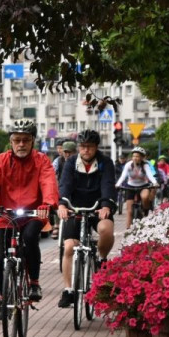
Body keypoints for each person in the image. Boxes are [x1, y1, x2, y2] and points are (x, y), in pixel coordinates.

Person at [0, 119, 60, 307]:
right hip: (7, 215)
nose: (21, 144)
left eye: (26, 140)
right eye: (17, 140)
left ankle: (34, 283)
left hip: (34, 213)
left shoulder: (41, 161)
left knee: (30, 238)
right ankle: (3, 299)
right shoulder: (1, 161)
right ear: (11, 142)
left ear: (32, 141)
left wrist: (47, 203)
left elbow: (48, 183)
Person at [57, 130, 116, 308]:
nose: (86, 150)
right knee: (69, 247)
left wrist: (106, 205)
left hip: (98, 207)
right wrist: (62, 204)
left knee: (106, 229)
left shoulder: (105, 162)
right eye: (82, 147)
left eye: (89, 147)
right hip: (75, 208)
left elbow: (108, 184)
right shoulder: (70, 163)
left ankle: (102, 259)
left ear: (96, 147)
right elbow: (64, 184)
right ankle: (68, 290)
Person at [115, 146, 160, 227]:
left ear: (142, 157)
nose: (135, 158)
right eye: (134, 156)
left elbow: (150, 175)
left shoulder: (145, 165)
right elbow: (123, 176)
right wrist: (118, 184)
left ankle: (145, 211)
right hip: (130, 186)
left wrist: (155, 182)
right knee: (129, 211)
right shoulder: (128, 165)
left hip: (143, 185)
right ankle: (128, 230)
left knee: (145, 197)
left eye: (138, 156)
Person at [49, 139, 77, 238]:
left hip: (76, 189)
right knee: (57, 202)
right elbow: (51, 173)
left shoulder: (79, 161)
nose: (67, 154)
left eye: (70, 152)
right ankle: (56, 225)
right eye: (65, 152)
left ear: (75, 152)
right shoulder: (58, 161)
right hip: (62, 187)